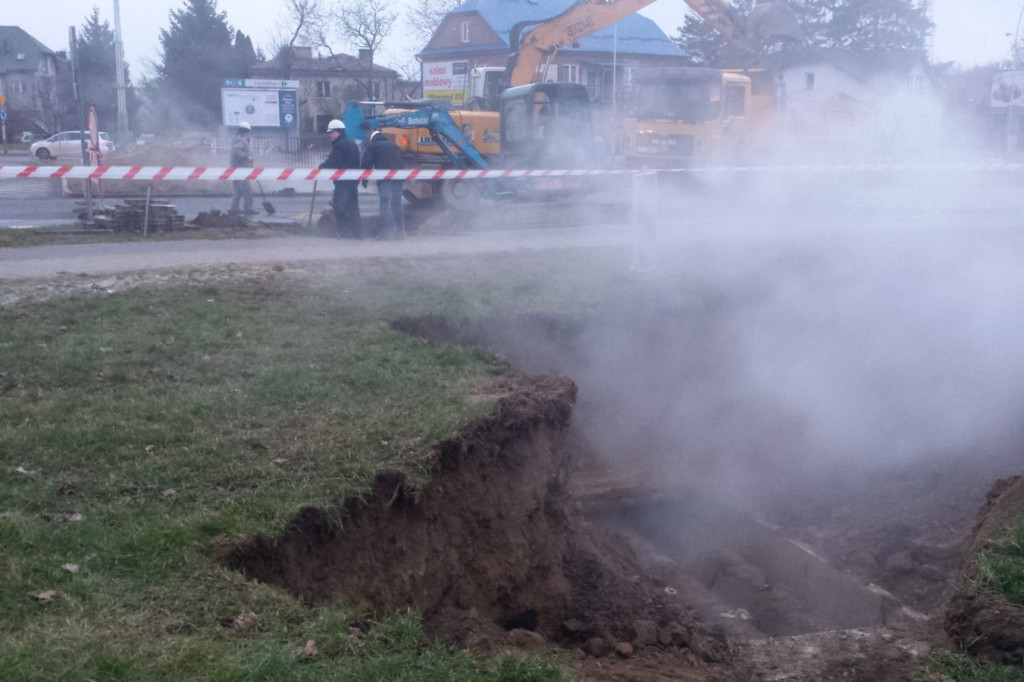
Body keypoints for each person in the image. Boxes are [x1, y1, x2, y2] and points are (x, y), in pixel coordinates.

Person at [318, 118, 362, 238]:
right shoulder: (351, 143)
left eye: (331, 133)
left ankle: (345, 234)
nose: (330, 136)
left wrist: (321, 167)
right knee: (353, 209)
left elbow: (334, 161)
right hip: (353, 181)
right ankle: (358, 235)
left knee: (339, 208)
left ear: (337, 132)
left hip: (343, 183)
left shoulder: (340, 145)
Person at [360, 130, 406, 239]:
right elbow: (401, 161)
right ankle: (400, 232)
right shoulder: (393, 145)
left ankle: (383, 233)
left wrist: (364, 180)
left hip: (384, 178)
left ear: (372, 139)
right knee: (397, 204)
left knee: (384, 205)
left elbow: (367, 164)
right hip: (398, 177)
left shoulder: (373, 146)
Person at [229, 121, 257, 215]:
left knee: (238, 190)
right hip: (240, 169)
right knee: (247, 190)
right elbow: (236, 151)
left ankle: (234, 208)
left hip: (236, 169)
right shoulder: (241, 140)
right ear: (246, 131)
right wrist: (247, 157)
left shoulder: (236, 138)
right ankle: (248, 208)